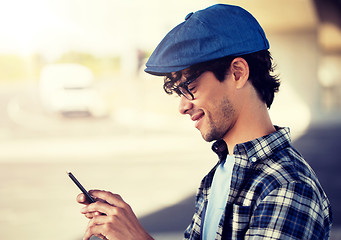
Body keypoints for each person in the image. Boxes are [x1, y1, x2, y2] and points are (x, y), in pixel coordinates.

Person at [77, 4, 333, 240]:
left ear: (237, 73)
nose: (182, 106)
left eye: (190, 87)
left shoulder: (287, 186)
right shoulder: (218, 177)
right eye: (178, 92)